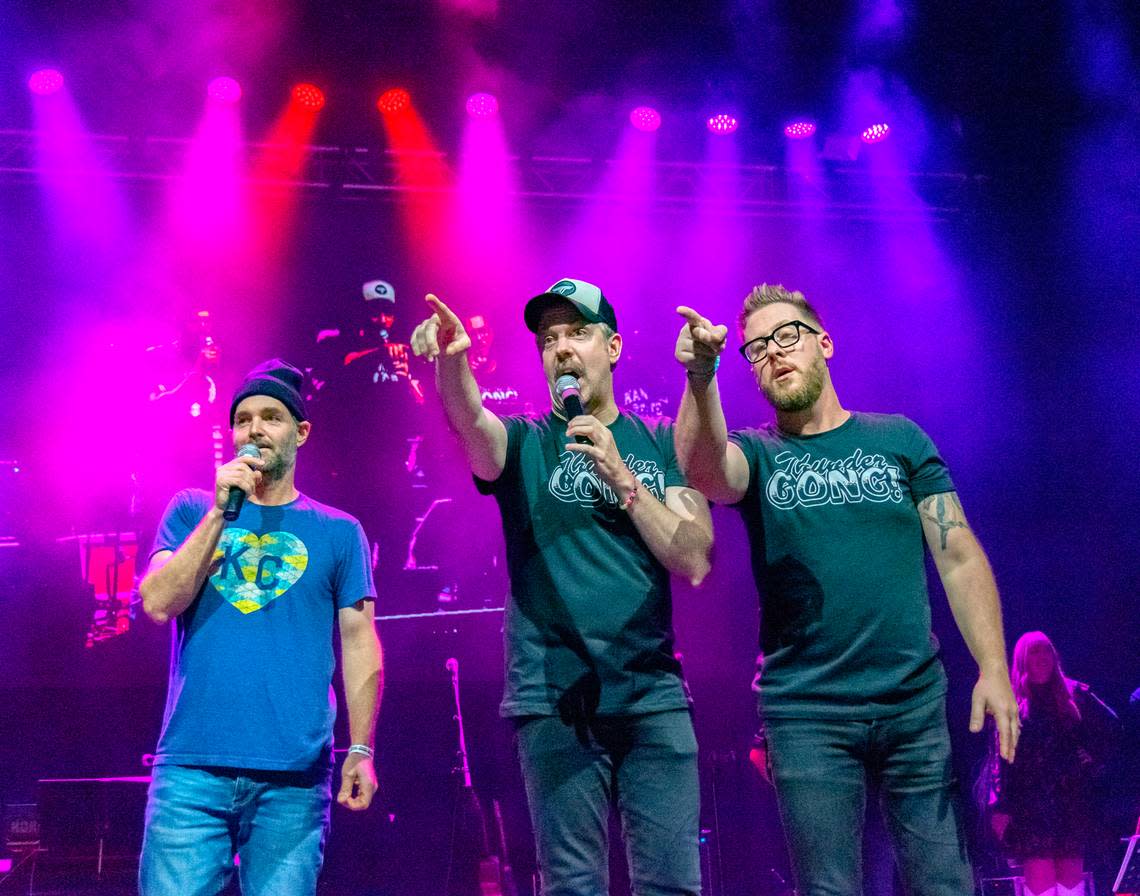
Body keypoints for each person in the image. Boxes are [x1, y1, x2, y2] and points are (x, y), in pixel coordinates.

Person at [672, 284, 1021, 896]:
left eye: (787, 337)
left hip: (912, 703)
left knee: (946, 883)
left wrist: (994, 666)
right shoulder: (757, 454)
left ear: (824, 344)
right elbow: (703, 471)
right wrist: (702, 376)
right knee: (829, 888)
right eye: (757, 348)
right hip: (808, 713)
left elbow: (958, 554)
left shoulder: (900, 440)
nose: (774, 354)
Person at [411, 278, 713, 896]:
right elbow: (470, 421)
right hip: (553, 702)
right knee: (572, 886)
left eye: (578, 333)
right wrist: (452, 363)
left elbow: (695, 558)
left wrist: (625, 480)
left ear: (616, 347)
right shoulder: (526, 441)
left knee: (673, 887)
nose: (562, 349)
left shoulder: (660, 441)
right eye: (549, 339)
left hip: (651, 698)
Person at [137, 359, 382, 896]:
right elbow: (158, 602)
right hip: (192, 772)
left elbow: (360, 644)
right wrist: (221, 515)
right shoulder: (191, 511)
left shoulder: (339, 532)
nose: (253, 430)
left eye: (270, 417)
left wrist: (360, 749)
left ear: (301, 431)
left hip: (293, 779)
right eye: (243, 419)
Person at [986, 631, 1120, 896]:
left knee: (1071, 881)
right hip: (1030, 804)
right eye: (1034, 651)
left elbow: (1113, 727)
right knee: (1041, 879)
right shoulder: (1012, 701)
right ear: (1023, 659)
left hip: (1069, 799)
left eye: (1046, 650)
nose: (1042, 657)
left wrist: (1091, 758)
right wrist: (999, 806)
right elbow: (1000, 758)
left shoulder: (1074, 694)